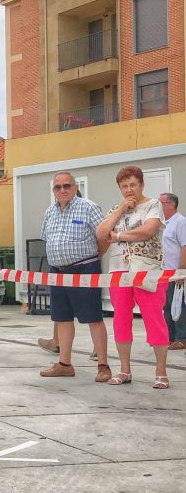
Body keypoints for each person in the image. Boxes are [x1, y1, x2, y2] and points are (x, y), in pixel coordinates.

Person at [95, 165, 167, 388]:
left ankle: (161, 371)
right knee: (121, 319)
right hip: (118, 271)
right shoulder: (116, 209)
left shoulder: (153, 205)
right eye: (124, 186)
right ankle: (124, 369)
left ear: (142, 185)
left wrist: (117, 236)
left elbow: (148, 230)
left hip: (147, 269)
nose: (129, 190)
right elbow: (100, 234)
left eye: (133, 185)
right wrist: (120, 210)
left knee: (153, 317)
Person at [37, 172, 111, 382]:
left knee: (93, 317)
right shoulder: (50, 212)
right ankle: (64, 364)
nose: (62, 190)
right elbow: (47, 238)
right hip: (57, 272)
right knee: (62, 318)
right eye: (58, 187)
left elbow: (105, 236)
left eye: (66, 186)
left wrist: (96, 256)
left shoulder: (89, 207)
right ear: (53, 190)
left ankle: (103, 366)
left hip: (85, 269)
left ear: (75, 187)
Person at [159, 193, 186, 350]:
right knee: (168, 305)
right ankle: (168, 337)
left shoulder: (180, 222)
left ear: (172, 204)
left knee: (179, 305)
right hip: (165, 273)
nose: (158, 206)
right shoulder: (163, 224)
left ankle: (182, 338)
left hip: (177, 272)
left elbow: (185, 247)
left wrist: (181, 271)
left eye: (161, 202)